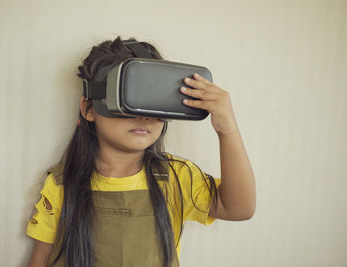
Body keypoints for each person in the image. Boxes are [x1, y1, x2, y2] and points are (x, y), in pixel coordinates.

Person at [26, 36, 256, 267]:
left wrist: (227, 128)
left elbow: (239, 208)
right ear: (88, 108)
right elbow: (40, 260)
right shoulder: (62, 183)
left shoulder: (176, 177)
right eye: (130, 97)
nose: (143, 115)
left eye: (154, 99)